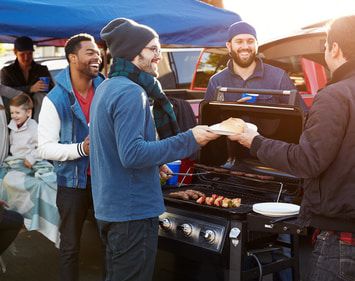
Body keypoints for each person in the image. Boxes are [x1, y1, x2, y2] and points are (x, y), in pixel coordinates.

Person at [90, 18, 219, 281]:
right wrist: (190, 138)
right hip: (132, 214)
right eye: (153, 49)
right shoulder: (131, 92)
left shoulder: (106, 87)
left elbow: (113, 149)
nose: (159, 56)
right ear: (133, 53)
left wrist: (155, 165)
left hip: (112, 208)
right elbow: (133, 154)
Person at [228, 15, 355, 281]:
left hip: (343, 236)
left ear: (334, 49)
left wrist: (255, 141)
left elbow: (308, 161)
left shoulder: (335, 95)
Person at [37, 33, 104, 281]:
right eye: (90, 52)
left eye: (98, 52)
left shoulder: (105, 88)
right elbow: (44, 148)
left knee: (112, 244)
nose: (97, 56)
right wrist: (80, 149)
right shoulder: (55, 99)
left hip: (104, 181)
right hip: (72, 185)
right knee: (70, 247)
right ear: (73, 58)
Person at [1, 36, 54, 121]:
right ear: (15, 52)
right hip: (15, 114)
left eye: (29, 54)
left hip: (37, 114)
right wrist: (30, 89)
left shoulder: (42, 69)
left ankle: (38, 127)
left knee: (40, 96)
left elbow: (52, 90)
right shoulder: (7, 71)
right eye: (22, 54)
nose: (26, 58)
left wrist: (45, 87)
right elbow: (5, 91)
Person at [8, 93, 40, 169]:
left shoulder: (33, 126)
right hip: (15, 159)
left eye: (17, 113)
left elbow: (41, 146)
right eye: (12, 113)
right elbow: (12, 143)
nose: (14, 116)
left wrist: (32, 158)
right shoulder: (12, 125)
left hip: (30, 160)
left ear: (28, 112)